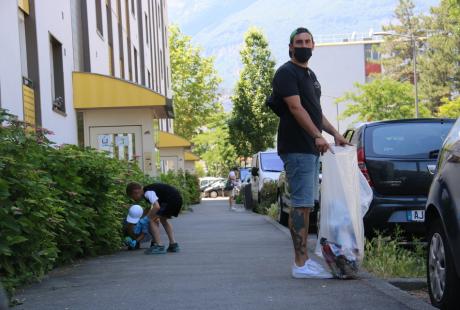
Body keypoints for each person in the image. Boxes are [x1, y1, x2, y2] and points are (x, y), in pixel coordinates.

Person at [273, 27, 351, 278]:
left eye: (307, 41)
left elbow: (315, 112)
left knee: (306, 206)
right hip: (297, 147)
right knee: (301, 205)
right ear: (290, 47)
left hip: (308, 148)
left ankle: (304, 260)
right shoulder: (286, 73)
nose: (304, 45)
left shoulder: (310, 75)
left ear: (314, 44)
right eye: (298, 42)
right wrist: (317, 136)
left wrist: (333, 133)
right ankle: (300, 263)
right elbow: (296, 109)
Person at [126, 182, 182, 254]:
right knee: (163, 219)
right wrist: (145, 217)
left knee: (152, 220)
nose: (133, 199)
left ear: (136, 192)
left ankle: (159, 246)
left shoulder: (147, 192)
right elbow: (151, 208)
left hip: (171, 200)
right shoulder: (149, 191)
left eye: (132, 197)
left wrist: (145, 219)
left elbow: (156, 206)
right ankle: (173, 244)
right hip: (176, 199)